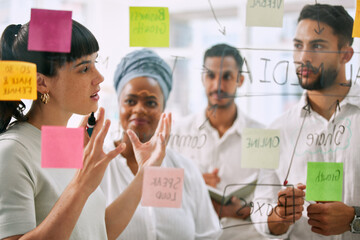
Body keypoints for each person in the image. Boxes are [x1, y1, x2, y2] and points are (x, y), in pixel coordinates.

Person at [0, 20, 171, 240]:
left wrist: (144, 174)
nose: (99, 77)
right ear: (41, 82)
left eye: (95, 62)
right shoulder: (12, 152)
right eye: (84, 68)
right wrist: (82, 185)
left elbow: (95, 231)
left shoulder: (66, 146)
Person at [251, 4, 360, 239]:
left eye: (317, 45)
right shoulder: (275, 130)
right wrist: (279, 215)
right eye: (298, 45)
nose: (303, 57)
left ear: (346, 54)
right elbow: (260, 206)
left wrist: (355, 219)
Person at [100, 48, 222, 240]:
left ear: (163, 108)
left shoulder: (186, 170)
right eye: (130, 100)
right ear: (119, 105)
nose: (139, 109)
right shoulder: (99, 169)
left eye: (150, 103)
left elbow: (209, 236)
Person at [170, 43, 266, 239]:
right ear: (202, 79)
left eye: (227, 77)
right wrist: (192, 182)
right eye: (211, 76)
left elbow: (271, 198)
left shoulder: (262, 136)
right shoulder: (178, 132)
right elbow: (161, 195)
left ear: (240, 80)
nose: (218, 86)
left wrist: (242, 210)